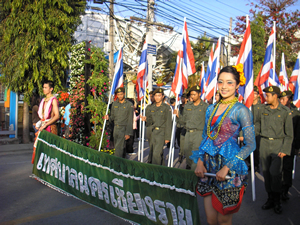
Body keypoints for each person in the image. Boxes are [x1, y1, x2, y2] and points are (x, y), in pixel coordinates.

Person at [191, 65, 256, 225]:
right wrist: (200, 162)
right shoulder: (211, 109)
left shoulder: (241, 110)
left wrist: (227, 167)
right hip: (208, 166)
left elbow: (250, 144)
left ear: (237, 85)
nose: (224, 87)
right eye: (221, 82)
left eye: (229, 83)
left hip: (229, 167)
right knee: (211, 220)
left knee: (224, 220)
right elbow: (205, 137)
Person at [258, 86, 293, 214]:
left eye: (268, 95)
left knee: (275, 174)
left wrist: (285, 149)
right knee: (266, 174)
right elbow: (257, 125)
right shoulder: (263, 109)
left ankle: (277, 200)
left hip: (278, 144)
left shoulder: (285, 111)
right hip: (264, 143)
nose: (265, 97)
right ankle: (270, 199)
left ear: (275, 96)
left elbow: (289, 134)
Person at [175, 85, 208, 170]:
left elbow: (208, 122)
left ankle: (194, 176)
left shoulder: (205, 106)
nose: (192, 96)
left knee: (196, 157)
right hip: (188, 133)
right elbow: (183, 121)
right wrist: (178, 116)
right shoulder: (188, 106)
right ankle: (191, 169)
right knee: (188, 154)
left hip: (199, 134)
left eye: (194, 94)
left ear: (199, 94)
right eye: (191, 95)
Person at [142, 88, 172, 165]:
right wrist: (146, 120)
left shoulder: (166, 108)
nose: (157, 97)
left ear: (162, 96)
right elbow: (149, 122)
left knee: (156, 153)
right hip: (152, 132)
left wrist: (168, 137)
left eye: (159, 96)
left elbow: (168, 123)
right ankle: (162, 170)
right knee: (156, 153)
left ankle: (155, 172)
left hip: (161, 132)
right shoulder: (151, 107)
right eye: (155, 96)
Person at [279, 90, 300, 201]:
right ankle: (277, 190)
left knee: (287, 168)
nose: (281, 101)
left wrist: (297, 147)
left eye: (284, 99)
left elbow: (297, 131)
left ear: (290, 99)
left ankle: (285, 190)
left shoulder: (295, 113)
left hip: (290, 144)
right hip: (278, 143)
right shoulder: (278, 110)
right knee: (278, 168)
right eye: (280, 99)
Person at [104, 87, 133, 158]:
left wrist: (128, 133)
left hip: (123, 129)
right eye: (118, 95)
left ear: (124, 94)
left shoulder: (129, 105)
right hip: (115, 129)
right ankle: (122, 165)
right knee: (119, 148)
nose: (120, 96)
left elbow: (130, 120)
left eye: (121, 94)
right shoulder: (114, 104)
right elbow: (112, 117)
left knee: (118, 149)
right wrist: (108, 118)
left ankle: (116, 165)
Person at [176, 94, 187, 163]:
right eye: (182, 98)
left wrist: (178, 115)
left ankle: (181, 154)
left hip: (184, 126)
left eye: (184, 98)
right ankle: (182, 150)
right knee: (179, 141)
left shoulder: (188, 107)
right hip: (178, 125)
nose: (182, 99)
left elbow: (184, 117)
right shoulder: (179, 106)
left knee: (182, 141)